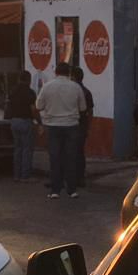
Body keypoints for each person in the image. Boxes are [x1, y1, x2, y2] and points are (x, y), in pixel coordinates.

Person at [35, 63, 86, 199]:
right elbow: (82, 108)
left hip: (53, 126)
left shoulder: (47, 87)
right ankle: (72, 189)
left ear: (56, 72)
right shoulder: (76, 87)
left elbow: (39, 105)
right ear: (69, 72)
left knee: (55, 157)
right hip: (71, 125)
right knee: (71, 157)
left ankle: (55, 190)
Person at [4, 71, 37, 182]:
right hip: (25, 121)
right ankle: (25, 176)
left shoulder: (12, 91)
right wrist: (39, 121)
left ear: (19, 79)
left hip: (14, 121)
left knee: (17, 149)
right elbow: (33, 109)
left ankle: (16, 175)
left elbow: (8, 106)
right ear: (29, 80)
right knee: (27, 149)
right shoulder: (30, 92)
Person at [71, 66, 94, 189]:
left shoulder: (71, 92)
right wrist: (88, 127)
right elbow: (90, 112)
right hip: (81, 126)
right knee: (79, 153)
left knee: (69, 152)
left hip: (71, 125)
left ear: (73, 77)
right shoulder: (86, 92)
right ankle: (80, 178)